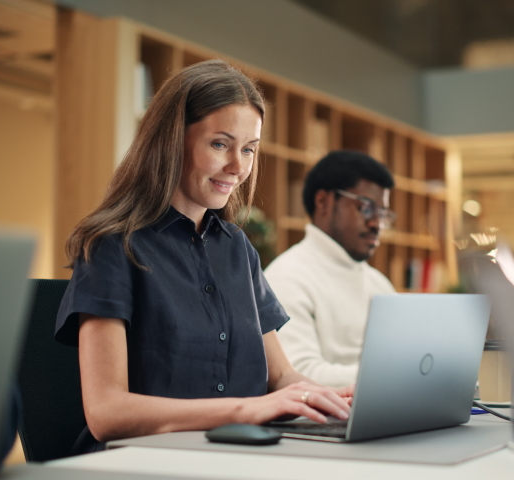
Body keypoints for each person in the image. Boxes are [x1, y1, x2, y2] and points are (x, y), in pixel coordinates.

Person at [55, 59, 352, 454]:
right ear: (171, 140)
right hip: (143, 462)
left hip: (233, 455)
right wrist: (246, 410)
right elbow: (106, 412)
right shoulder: (112, 246)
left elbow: (281, 377)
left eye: (248, 149)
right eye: (220, 144)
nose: (238, 166)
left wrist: (345, 402)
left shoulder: (237, 248)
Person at [264, 151, 397, 388]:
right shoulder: (286, 278)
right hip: (321, 420)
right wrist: (395, 375)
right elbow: (297, 375)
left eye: (383, 214)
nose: (377, 224)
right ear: (324, 202)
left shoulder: (379, 283)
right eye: (366, 208)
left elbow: (404, 359)